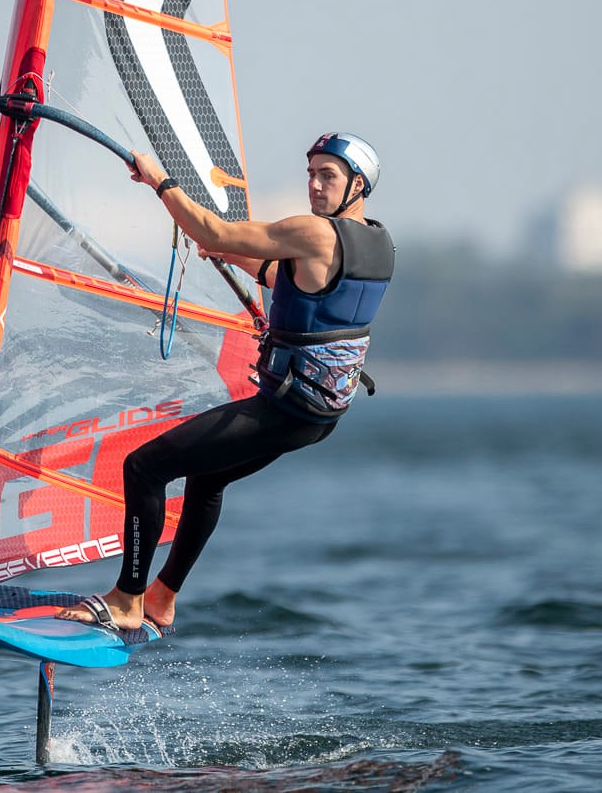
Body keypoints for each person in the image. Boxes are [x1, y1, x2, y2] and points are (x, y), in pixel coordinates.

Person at [55, 132, 395, 634]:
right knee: (208, 476)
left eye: (329, 176)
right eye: (311, 174)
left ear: (357, 184)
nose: (315, 186)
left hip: (284, 408)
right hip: (316, 417)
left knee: (144, 467)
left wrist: (160, 182)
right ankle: (163, 597)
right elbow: (292, 283)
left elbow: (215, 232)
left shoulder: (316, 233)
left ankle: (127, 598)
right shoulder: (379, 245)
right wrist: (229, 253)